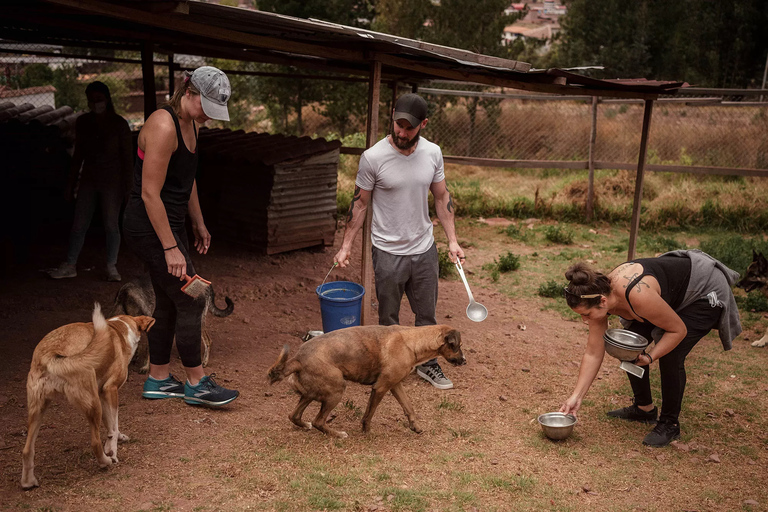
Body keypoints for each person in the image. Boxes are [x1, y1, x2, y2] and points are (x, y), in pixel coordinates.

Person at [122, 66, 239, 408]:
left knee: (171, 299)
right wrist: (170, 247)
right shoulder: (162, 124)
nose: (209, 117)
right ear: (189, 92)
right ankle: (197, 382)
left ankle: (158, 379)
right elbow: (149, 194)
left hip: (169, 224)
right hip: (148, 225)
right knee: (192, 296)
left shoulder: (192, 125)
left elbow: (186, 181)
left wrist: (198, 223)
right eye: (207, 106)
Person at [333, 93, 465, 390]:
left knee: (427, 315)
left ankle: (428, 365)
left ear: (423, 124)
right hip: (388, 251)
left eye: (409, 127)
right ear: (392, 118)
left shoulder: (433, 153)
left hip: (424, 249)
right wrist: (346, 245)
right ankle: (388, 368)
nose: (402, 132)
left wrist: (453, 241)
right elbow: (359, 204)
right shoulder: (373, 157)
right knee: (389, 317)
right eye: (398, 125)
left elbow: (442, 196)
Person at [560, 250, 742, 447]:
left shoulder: (637, 296)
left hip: (704, 290)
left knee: (671, 353)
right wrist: (576, 397)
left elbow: (677, 330)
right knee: (628, 346)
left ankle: (669, 423)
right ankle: (644, 409)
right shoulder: (596, 294)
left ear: (603, 302)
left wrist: (651, 356)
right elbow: (594, 352)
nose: (585, 320)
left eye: (586, 314)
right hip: (669, 293)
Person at [48, 81, 133, 282]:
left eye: (99, 99)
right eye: (92, 100)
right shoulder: (84, 122)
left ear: (107, 99)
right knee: (79, 223)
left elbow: (128, 160)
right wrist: (71, 183)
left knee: (111, 224)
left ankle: (111, 266)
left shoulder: (119, 124)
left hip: (113, 182)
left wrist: (129, 189)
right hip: (89, 180)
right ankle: (70, 264)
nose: (96, 104)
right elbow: (78, 155)